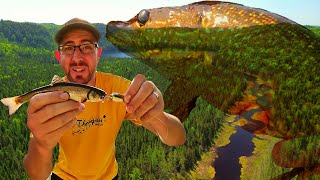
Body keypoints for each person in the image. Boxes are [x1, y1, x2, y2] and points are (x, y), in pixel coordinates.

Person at [23, 18, 186, 180]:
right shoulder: (49, 101)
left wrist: (157, 115)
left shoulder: (120, 89)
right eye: (68, 48)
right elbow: (37, 174)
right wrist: (41, 145)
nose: (77, 57)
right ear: (58, 57)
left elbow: (177, 137)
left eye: (86, 47)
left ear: (98, 54)